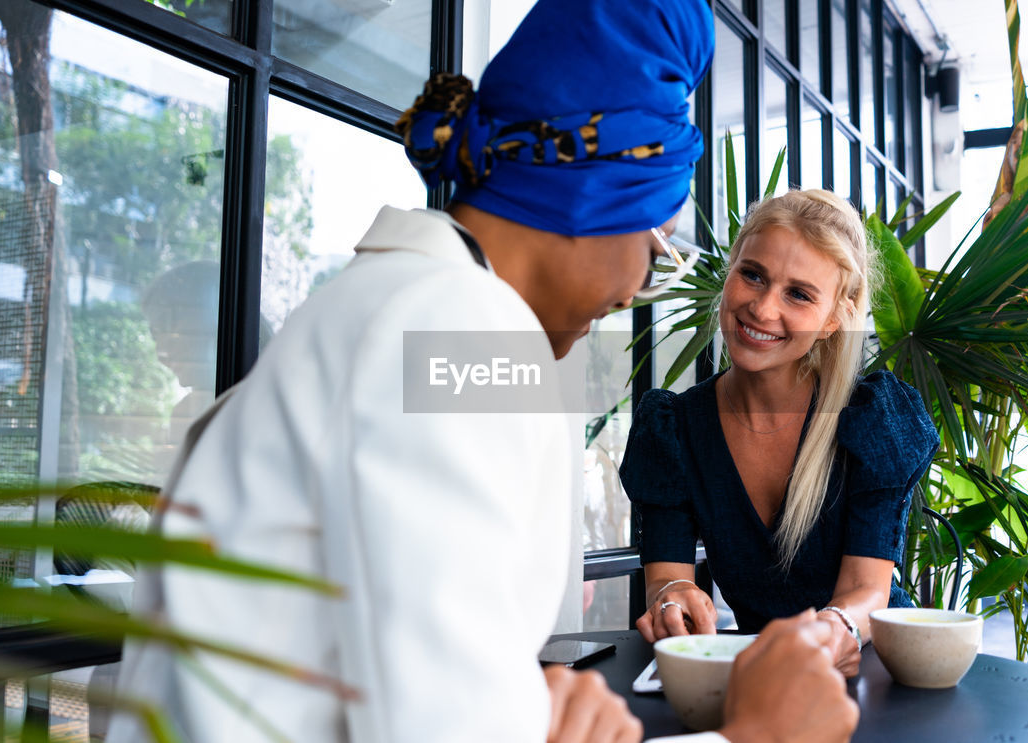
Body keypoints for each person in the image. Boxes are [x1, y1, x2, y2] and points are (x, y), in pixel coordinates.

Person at [108, 2, 859, 742]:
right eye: (654, 247)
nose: (634, 285)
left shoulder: (402, 312)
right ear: (597, 199)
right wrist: (760, 734)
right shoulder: (462, 334)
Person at [620, 189, 939, 677]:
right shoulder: (673, 429)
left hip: (875, 668)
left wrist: (834, 630)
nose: (763, 309)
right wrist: (671, 597)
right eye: (753, 275)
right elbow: (666, 576)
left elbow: (867, 591)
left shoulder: (871, 418)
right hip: (761, 675)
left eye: (799, 294)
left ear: (835, 318)